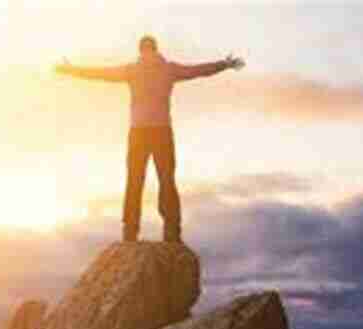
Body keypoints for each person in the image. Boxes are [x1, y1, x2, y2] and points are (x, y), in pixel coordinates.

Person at [55, 36, 244, 244]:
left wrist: (71, 70)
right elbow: (198, 71)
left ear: (140, 50)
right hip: (162, 131)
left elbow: (101, 74)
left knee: (135, 181)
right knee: (166, 181)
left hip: (138, 132)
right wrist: (225, 64)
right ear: (156, 49)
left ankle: (130, 231)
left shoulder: (131, 70)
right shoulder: (168, 69)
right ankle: (172, 232)